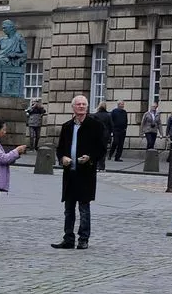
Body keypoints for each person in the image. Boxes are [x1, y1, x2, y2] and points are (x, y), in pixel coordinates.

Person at [52, 95, 107, 249]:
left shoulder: (95, 125)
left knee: (84, 207)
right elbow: (60, 148)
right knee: (68, 208)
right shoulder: (67, 126)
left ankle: (83, 239)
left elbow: (101, 148)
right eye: (78, 104)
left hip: (86, 172)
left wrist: (90, 158)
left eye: (84, 104)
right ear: (73, 107)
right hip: (70, 172)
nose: (81, 107)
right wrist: (62, 158)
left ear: (87, 107)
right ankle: (68, 238)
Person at [91, 102, 113, 171]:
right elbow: (111, 126)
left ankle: (97, 165)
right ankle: (102, 166)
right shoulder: (108, 115)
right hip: (105, 135)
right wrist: (110, 134)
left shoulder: (95, 115)